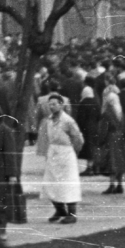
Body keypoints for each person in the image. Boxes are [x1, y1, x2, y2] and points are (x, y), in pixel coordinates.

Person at [37, 94, 84, 224]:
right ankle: (60, 209)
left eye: (54, 104)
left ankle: (72, 213)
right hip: (53, 153)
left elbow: (78, 138)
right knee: (50, 183)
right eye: (50, 104)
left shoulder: (68, 121)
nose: (51, 107)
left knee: (68, 183)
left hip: (66, 152)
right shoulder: (49, 120)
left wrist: (74, 151)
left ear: (61, 105)